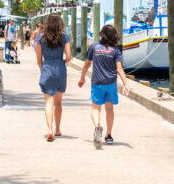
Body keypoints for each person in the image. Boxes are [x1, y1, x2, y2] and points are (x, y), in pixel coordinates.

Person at [78, 24, 130, 148]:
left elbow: (86, 65)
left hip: (97, 82)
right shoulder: (116, 50)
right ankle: (109, 135)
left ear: (102, 34)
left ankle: (97, 126)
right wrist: (125, 84)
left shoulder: (94, 47)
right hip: (111, 83)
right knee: (109, 109)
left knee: (96, 108)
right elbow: (119, 68)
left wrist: (82, 78)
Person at [35, 13, 71, 142]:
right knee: (58, 103)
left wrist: (43, 70)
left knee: (48, 102)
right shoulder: (65, 37)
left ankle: (50, 130)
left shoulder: (40, 39)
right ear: (60, 23)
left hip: (47, 68)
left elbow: (39, 60)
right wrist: (62, 63)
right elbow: (69, 57)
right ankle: (57, 129)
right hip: (60, 69)